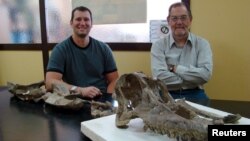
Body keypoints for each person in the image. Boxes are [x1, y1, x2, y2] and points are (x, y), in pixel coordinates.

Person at [45, 6, 119, 102]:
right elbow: (50, 82)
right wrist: (79, 90)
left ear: (91, 24)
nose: (83, 23)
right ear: (71, 23)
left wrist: (107, 99)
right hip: (72, 102)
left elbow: (114, 80)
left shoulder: (104, 49)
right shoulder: (60, 50)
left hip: (101, 102)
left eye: (86, 19)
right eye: (78, 19)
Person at [150, 2, 213, 105]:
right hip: (166, 94)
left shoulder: (202, 44)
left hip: (195, 93)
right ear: (168, 21)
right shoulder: (158, 46)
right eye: (174, 18)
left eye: (183, 18)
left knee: (207, 119)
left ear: (190, 20)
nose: (179, 22)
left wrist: (175, 69)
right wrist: (193, 78)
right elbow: (159, 77)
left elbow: (205, 75)